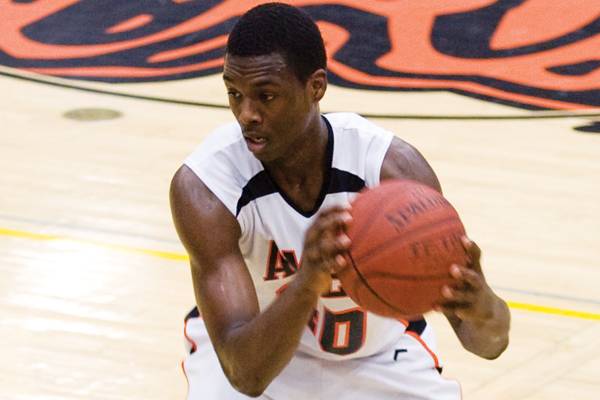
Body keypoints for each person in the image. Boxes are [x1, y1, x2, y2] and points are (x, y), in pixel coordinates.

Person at [170, 3, 510, 399]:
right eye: (234, 93)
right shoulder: (207, 186)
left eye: (266, 96)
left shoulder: (391, 172)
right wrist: (307, 283)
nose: (246, 114)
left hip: (378, 357)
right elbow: (245, 374)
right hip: (251, 348)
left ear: (316, 87)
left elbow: (489, 345)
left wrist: (481, 305)